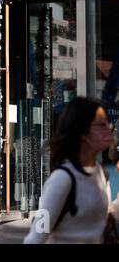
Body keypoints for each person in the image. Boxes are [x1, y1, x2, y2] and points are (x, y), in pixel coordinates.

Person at [24, 97, 116, 244]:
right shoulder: (61, 179)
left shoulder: (101, 173)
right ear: (82, 132)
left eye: (108, 124)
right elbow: (36, 236)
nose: (108, 130)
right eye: (101, 125)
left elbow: (103, 221)